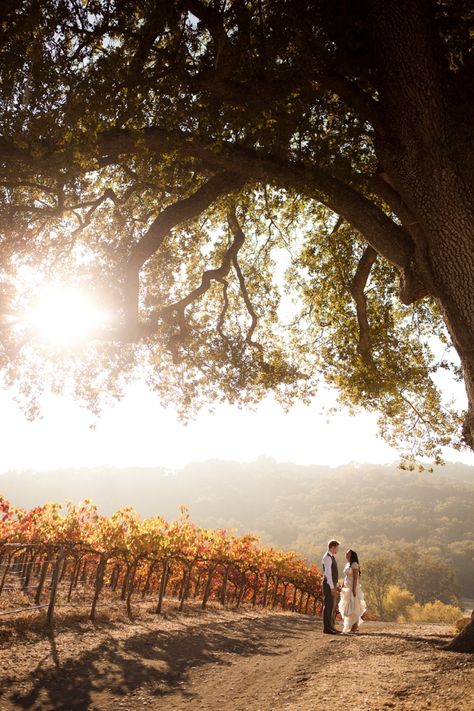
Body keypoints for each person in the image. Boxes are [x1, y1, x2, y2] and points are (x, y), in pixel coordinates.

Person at [339, 549, 367, 634]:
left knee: (354, 607)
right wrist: (343, 584)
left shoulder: (355, 565)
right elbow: (346, 576)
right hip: (347, 588)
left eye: (348, 553)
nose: (346, 554)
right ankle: (351, 626)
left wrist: (354, 589)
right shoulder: (347, 564)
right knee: (348, 607)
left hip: (352, 588)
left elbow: (355, 578)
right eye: (346, 553)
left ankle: (354, 627)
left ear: (352, 555)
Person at [322, 539, 341, 634]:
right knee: (329, 605)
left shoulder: (332, 557)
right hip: (329, 584)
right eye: (337, 547)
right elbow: (328, 574)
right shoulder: (327, 557)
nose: (337, 549)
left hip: (332, 584)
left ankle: (332, 627)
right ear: (332, 547)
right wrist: (332, 587)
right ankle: (327, 628)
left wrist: (336, 585)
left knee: (333, 606)